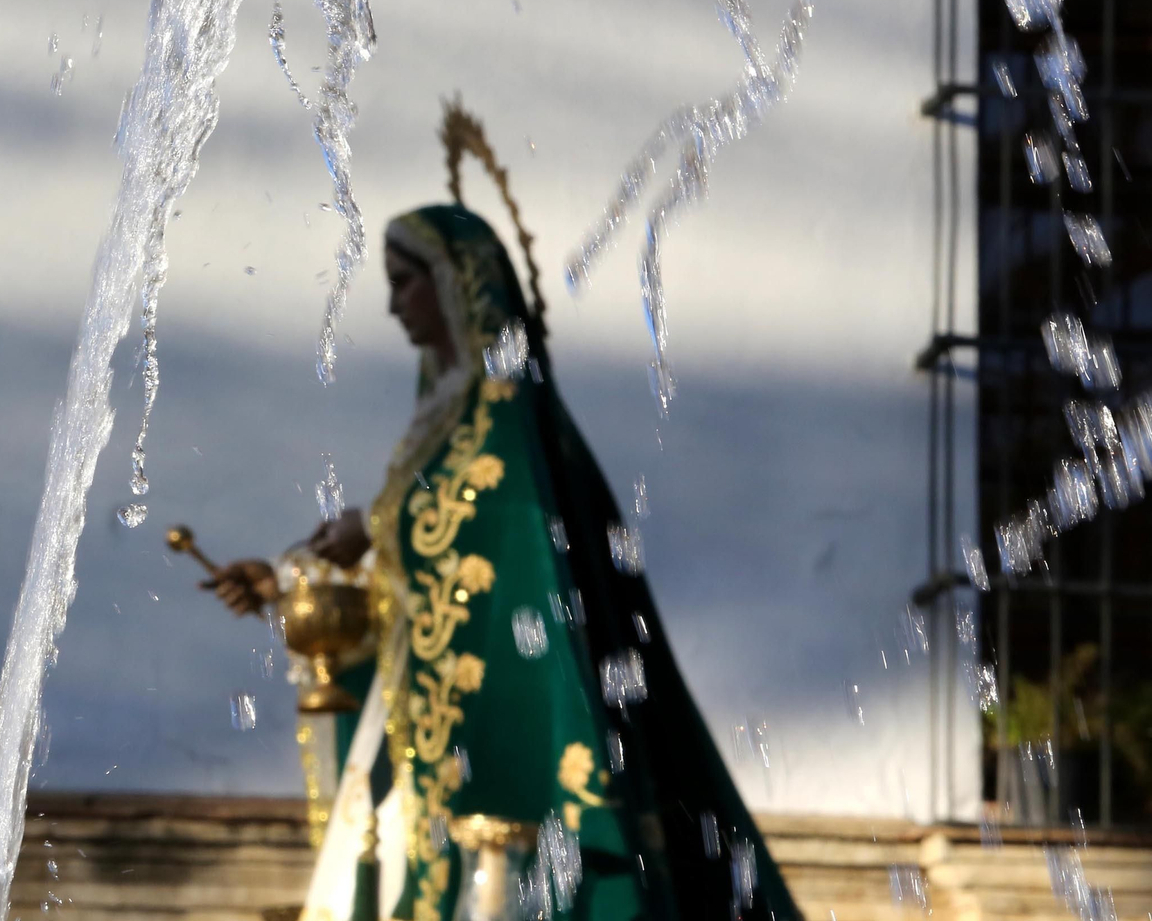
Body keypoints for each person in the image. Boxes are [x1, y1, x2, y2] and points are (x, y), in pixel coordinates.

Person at [205, 106, 799, 921]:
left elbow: (499, 536)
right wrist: (290, 581)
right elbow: (422, 574)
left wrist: (372, 531)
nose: (394, 307)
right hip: (430, 740)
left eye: (404, 282)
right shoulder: (439, 425)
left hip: (498, 740)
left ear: (458, 281)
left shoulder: (511, 428)